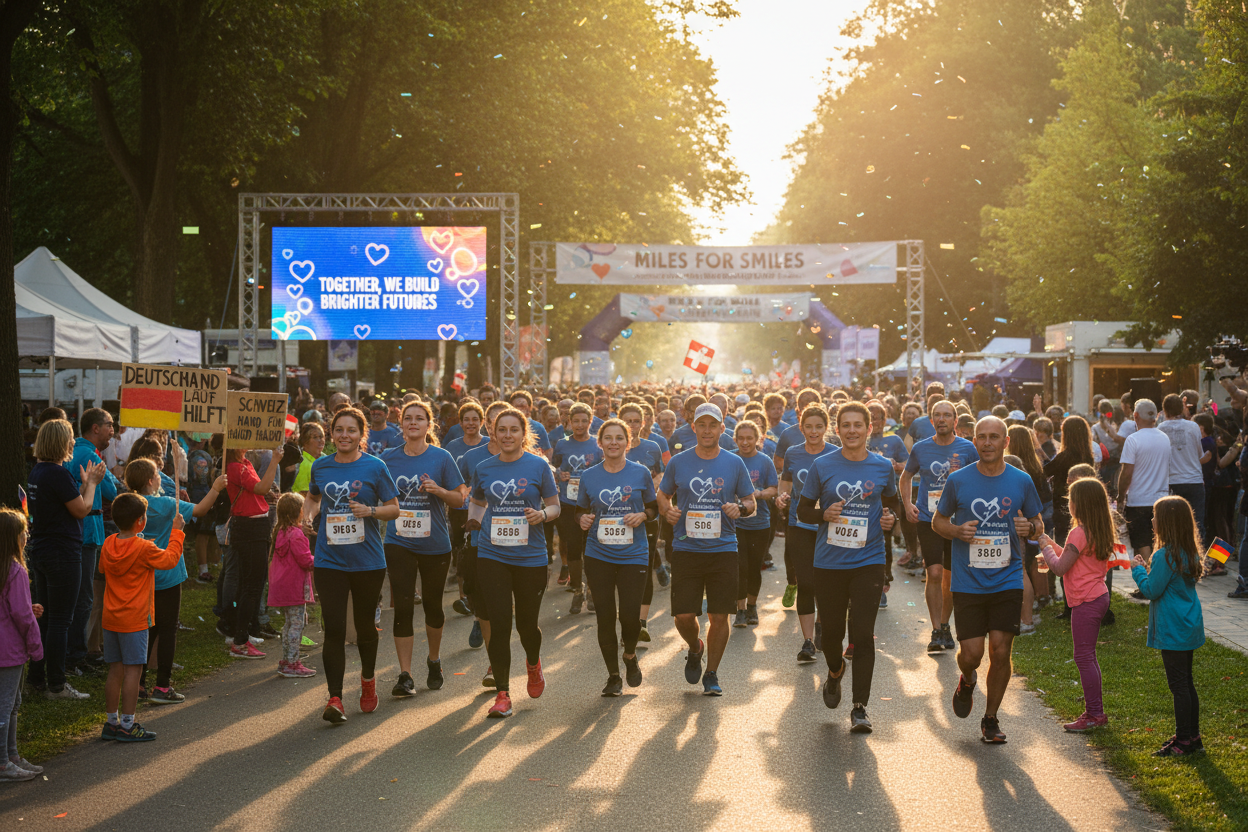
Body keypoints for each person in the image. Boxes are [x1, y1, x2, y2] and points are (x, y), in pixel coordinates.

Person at [934, 416, 1043, 744]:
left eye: (994, 437)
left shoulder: (1021, 480)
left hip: (1007, 579)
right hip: (968, 581)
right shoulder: (958, 480)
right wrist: (956, 531)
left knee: (1000, 650)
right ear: (975, 441)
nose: (987, 442)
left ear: (1006, 442)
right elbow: (938, 521)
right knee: (972, 654)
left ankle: (991, 718)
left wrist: (1031, 528)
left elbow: (1038, 522)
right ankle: (967, 679)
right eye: (981, 437)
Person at [797, 402, 898, 733]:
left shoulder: (882, 467)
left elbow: (892, 503)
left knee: (863, 634)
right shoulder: (822, 465)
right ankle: (835, 669)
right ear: (837, 429)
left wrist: (890, 518)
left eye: (858, 425)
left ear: (869, 429)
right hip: (829, 563)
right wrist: (822, 514)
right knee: (831, 636)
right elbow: (802, 511)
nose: (852, 430)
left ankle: (859, 707)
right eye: (846, 425)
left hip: (869, 560)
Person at [303, 406, 400, 724]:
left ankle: (368, 680)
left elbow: (394, 509)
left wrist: (370, 511)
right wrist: (308, 515)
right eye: (339, 430)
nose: (345, 435)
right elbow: (314, 497)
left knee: (364, 627)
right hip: (329, 559)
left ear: (361, 435)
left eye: (351, 430)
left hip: (367, 561)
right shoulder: (321, 465)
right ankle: (335, 698)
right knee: (333, 628)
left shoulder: (375, 466)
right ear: (332, 434)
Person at [658, 403, 756, 696]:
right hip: (686, 548)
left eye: (713, 425)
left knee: (719, 616)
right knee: (684, 616)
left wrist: (740, 508)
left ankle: (711, 673)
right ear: (694, 428)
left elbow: (750, 502)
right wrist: (667, 510)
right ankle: (694, 647)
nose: (707, 430)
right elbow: (663, 494)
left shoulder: (734, 463)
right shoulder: (679, 461)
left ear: (722, 428)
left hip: (723, 548)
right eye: (702, 424)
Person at [466, 408, 559, 719]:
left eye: (513, 430)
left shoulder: (538, 466)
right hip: (492, 554)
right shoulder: (483, 467)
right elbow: (478, 501)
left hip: (530, 556)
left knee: (526, 626)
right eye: (501, 430)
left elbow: (555, 506)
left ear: (523, 434)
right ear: (493, 433)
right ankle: (503, 694)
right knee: (500, 623)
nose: (507, 435)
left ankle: (533, 662)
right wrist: (473, 522)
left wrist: (541, 515)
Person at [122, 457, 225, 704]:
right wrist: (216, 488)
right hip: (167, 574)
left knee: (147, 629)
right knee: (168, 629)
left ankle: (139, 684)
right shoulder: (167, 504)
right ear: (150, 481)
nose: (161, 477)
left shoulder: (129, 505)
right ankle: (163, 686)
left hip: (142, 576)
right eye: (158, 474)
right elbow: (200, 510)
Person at [381, 401, 466, 696]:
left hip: (434, 544)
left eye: (419, 418)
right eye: (408, 418)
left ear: (429, 425)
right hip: (398, 542)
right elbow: (375, 492)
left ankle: (434, 660)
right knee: (403, 607)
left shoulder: (441, 457)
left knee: (432, 606)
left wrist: (439, 490)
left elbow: (460, 498)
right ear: (401, 424)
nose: (413, 422)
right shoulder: (388, 458)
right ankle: (405, 675)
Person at [576, 419, 657, 695]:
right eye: (608, 438)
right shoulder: (589, 476)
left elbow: (653, 508)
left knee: (631, 617)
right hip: (598, 553)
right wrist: (582, 519)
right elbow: (580, 510)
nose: (613, 442)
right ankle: (613, 676)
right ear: (600, 443)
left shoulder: (640, 473)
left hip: (634, 553)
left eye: (619, 437)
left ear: (628, 442)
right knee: (605, 615)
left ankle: (630, 655)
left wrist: (643, 515)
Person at [26, 419, 105, 700]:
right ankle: (57, 685)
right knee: (60, 620)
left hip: (42, 549)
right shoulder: (57, 473)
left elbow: (68, 505)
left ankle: (36, 679)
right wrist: (92, 484)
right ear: (61, 442)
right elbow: (81, 510)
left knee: (46, 619)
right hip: (62, 553)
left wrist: (83, 485)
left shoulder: (38, 470)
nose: (73, 442)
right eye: (70, 438)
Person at [99, 493, 185, 742]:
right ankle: (128, 725)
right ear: (140, 521)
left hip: (111, 618)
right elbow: (170, 559)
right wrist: (177, 532)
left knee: (115, 670)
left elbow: (103, 568)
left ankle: (111, 723)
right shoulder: (144, 548)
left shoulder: (108, 543)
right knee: (133, 671)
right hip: (134, 620)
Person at [1038, 477, 1117, 732]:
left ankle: (1094, 713)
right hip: (1098, 596)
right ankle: (1095, 711)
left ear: (1079, 504)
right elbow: (1072, 557)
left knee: (1083, 656)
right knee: (1088, 656)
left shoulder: (1078, 532)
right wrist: (1050, 544)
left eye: (1070, 499)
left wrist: (1045, 548)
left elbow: (1060, 568)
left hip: (1087, 600)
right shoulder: (1096, 529)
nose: (1068, 504)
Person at [1131, 496, 1206, 757]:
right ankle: (1192, 736)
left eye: (1155, 516)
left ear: (1166, 522)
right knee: (1187, 683)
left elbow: (1151, 590)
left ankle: (1183, 740)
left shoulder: (1164, 555)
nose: (1152, 520)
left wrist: (1138, 570)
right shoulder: (1188, 551)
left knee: (1178, 686)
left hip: (1173, 628)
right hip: (1188, 624)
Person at [902, 401, 978, 652]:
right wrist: (907, 504)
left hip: (958, 521)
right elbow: (906, 476)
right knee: (934, 572)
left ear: (956, 421)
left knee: (951, 577)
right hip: (929, 519)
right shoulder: (921, 448)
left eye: (947, 415)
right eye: (937, 415)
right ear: (931, 420)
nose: (942, 419)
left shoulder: (967, 448)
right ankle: (936, 630)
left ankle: (945, 624)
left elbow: (980, 475)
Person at [775, 404, 837, 660]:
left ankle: (821, 624)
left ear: (826, 428)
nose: (813, 432)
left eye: (819, 427)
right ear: (801, 428)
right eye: (808, 427)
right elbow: (786, 481)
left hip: (828, 526)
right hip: (798, 525)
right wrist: (781, 497)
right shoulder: (793, 452)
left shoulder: (835, 453)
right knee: (806, 583)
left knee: (824, 582)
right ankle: (808, 641)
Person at [223, 442, 283, 658]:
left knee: (251, 584)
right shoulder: (234, 467)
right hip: (248, 528)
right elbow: (261, 488)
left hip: (255, 525)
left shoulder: (245, 463)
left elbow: (258, 491)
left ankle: (241, 633)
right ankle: (239, 640)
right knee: (251, 585)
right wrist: (275, 460)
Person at [0, 509, 45, 780]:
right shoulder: (15, 570)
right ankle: (3, 762)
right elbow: (21, 615)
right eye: (24, 531)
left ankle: (12, 755)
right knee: (6, 706)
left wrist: (28, 607)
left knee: (11, 703)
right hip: (10, 651)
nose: (27, 535)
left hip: (7, 649)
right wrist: (36, 646)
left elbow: (14, 607)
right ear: (14, 538)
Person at [552, 403, 601, 605]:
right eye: (576, 421)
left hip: (592, 504)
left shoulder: (598, 444)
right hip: (568, 502)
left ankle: (591, 589)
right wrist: (559, 474)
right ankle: (577, 589)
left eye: (584, 421)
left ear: (590, 422)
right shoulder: (562, 444)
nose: (580, 425)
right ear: (569, 422)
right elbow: (553, 467)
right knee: (573, 547)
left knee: (591, 546)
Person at [732, 420, 778, 627]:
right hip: (735, 524)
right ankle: (740, 610)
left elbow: (774, 489)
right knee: (740, 567)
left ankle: (752, 606)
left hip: (760, 523)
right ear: (735, 439)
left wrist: (757, 494)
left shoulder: (765, 461)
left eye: (749, 438)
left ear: (758, 439)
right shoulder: (730, 459)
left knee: (753, 568)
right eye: (741, 438)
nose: (745, 442)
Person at [1118, 399, 1171, 567]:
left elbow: (1126, 473)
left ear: (1135, 416)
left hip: (1138, 500)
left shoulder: (1133, 440)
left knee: (1141, 542)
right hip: (1161, 499)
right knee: (1158, 541)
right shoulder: (1165, 438)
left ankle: (1148, 577)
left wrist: (1120, 496)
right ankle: (1158, 574)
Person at [268, 492, 316, 678]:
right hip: (294, 587)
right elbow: (306, 561)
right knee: (297, 624)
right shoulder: (296, 535)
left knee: (289, 624)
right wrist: (322, 559)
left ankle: (287, 660)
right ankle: (293, 663)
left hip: (282, 586)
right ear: (298, 512)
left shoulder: (281, 531)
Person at [291, 422, 326, 495]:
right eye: (315, 437)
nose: (320, 441)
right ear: (305, 441)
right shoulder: (303, 463)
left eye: (321, 437)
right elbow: (303, 494)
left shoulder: (325, 458)